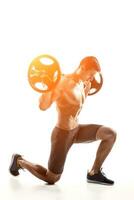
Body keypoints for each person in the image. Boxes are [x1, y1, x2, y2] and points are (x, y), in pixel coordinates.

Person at [9, 56, 117, 185]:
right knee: (52, 178)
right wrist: (48, 87)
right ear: (82, 68)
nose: (92, 78)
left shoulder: (82, 83)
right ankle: (19, 161)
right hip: (62, 134)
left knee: (110, 134)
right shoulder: (61, 83)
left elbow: (75, 105)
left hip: (77, 130)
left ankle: (94, 172)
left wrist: (86, 92)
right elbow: (42, 106)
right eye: (91, 74)